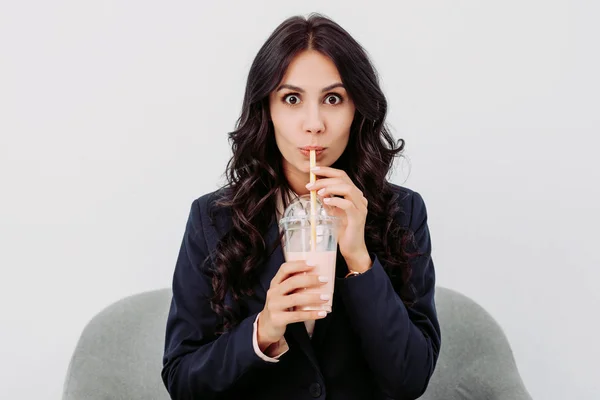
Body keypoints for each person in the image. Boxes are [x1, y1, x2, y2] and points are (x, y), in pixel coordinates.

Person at [161, 13, 441, 400]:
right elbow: (182, 381)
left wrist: (359, 259)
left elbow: (410, 379)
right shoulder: (214, 220)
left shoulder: (402, 211)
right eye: (292, 99)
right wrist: (263, 330)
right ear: (267, 109)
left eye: (332, 99)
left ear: (356, 108)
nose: (314, 124)